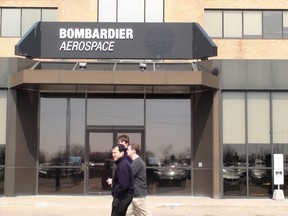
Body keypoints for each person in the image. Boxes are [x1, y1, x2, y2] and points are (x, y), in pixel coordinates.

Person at [126, 143, 152, 216]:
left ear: (133, 151)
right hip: (134, 195)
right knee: (126, 213)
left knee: (145, 214)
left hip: (138, 196)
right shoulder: (136, 162)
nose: (126, 151)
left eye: (128, 149)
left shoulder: (137, 162)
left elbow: (128, 176)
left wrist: (114, 181)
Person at [110, 144, 134, 216]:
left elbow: (124, 185)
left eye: (115, 152)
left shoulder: (123, 165)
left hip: (122, 197)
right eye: (112, 153)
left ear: (122, 153)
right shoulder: (122, 163)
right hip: (122, 196)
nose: (113, 155)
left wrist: (115, 192)